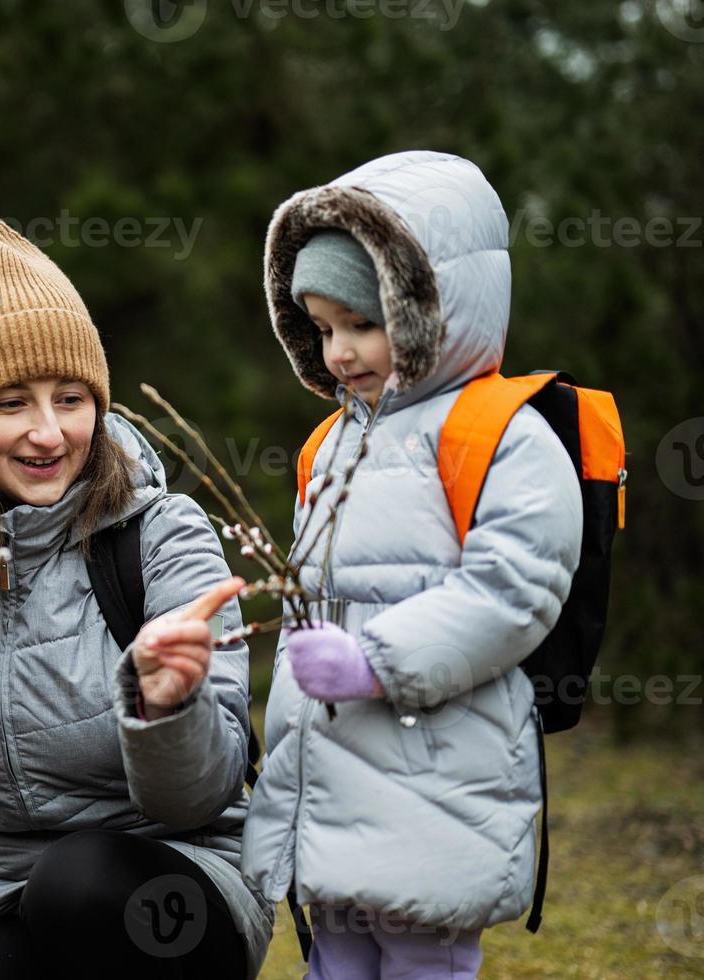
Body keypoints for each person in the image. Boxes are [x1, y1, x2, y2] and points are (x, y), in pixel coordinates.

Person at [0, 219, 273, 979]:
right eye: (12, 402)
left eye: (72, 397)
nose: (48, 433)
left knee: (76, 885)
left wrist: (164, 709)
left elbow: (205, 793)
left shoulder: (160, 536)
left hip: (172, 873)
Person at [241, 150, 584, 978]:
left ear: (432, 306)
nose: (341, 353)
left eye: (363, 323)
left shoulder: (500, 432)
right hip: (331, 772)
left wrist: (375, 660)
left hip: (437, 772)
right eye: (322, 329)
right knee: (339, 958)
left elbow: (515, 588)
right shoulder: (332, 444)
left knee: (424, 957)